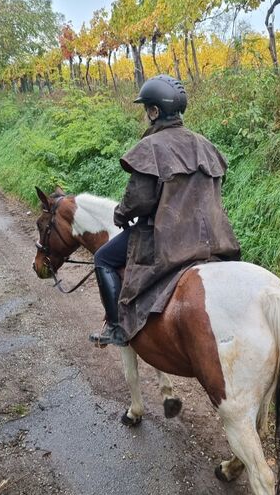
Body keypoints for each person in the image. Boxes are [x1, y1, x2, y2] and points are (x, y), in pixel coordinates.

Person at [89, 74, 241, 347]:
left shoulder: (151, 147)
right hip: (214, 239)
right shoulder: (205, 145)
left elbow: (139, 201)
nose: (146, 115)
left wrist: (121, 214)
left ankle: (115, 328)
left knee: (102, 258)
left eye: (147, 108)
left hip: (167, 240)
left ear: (155, 111)